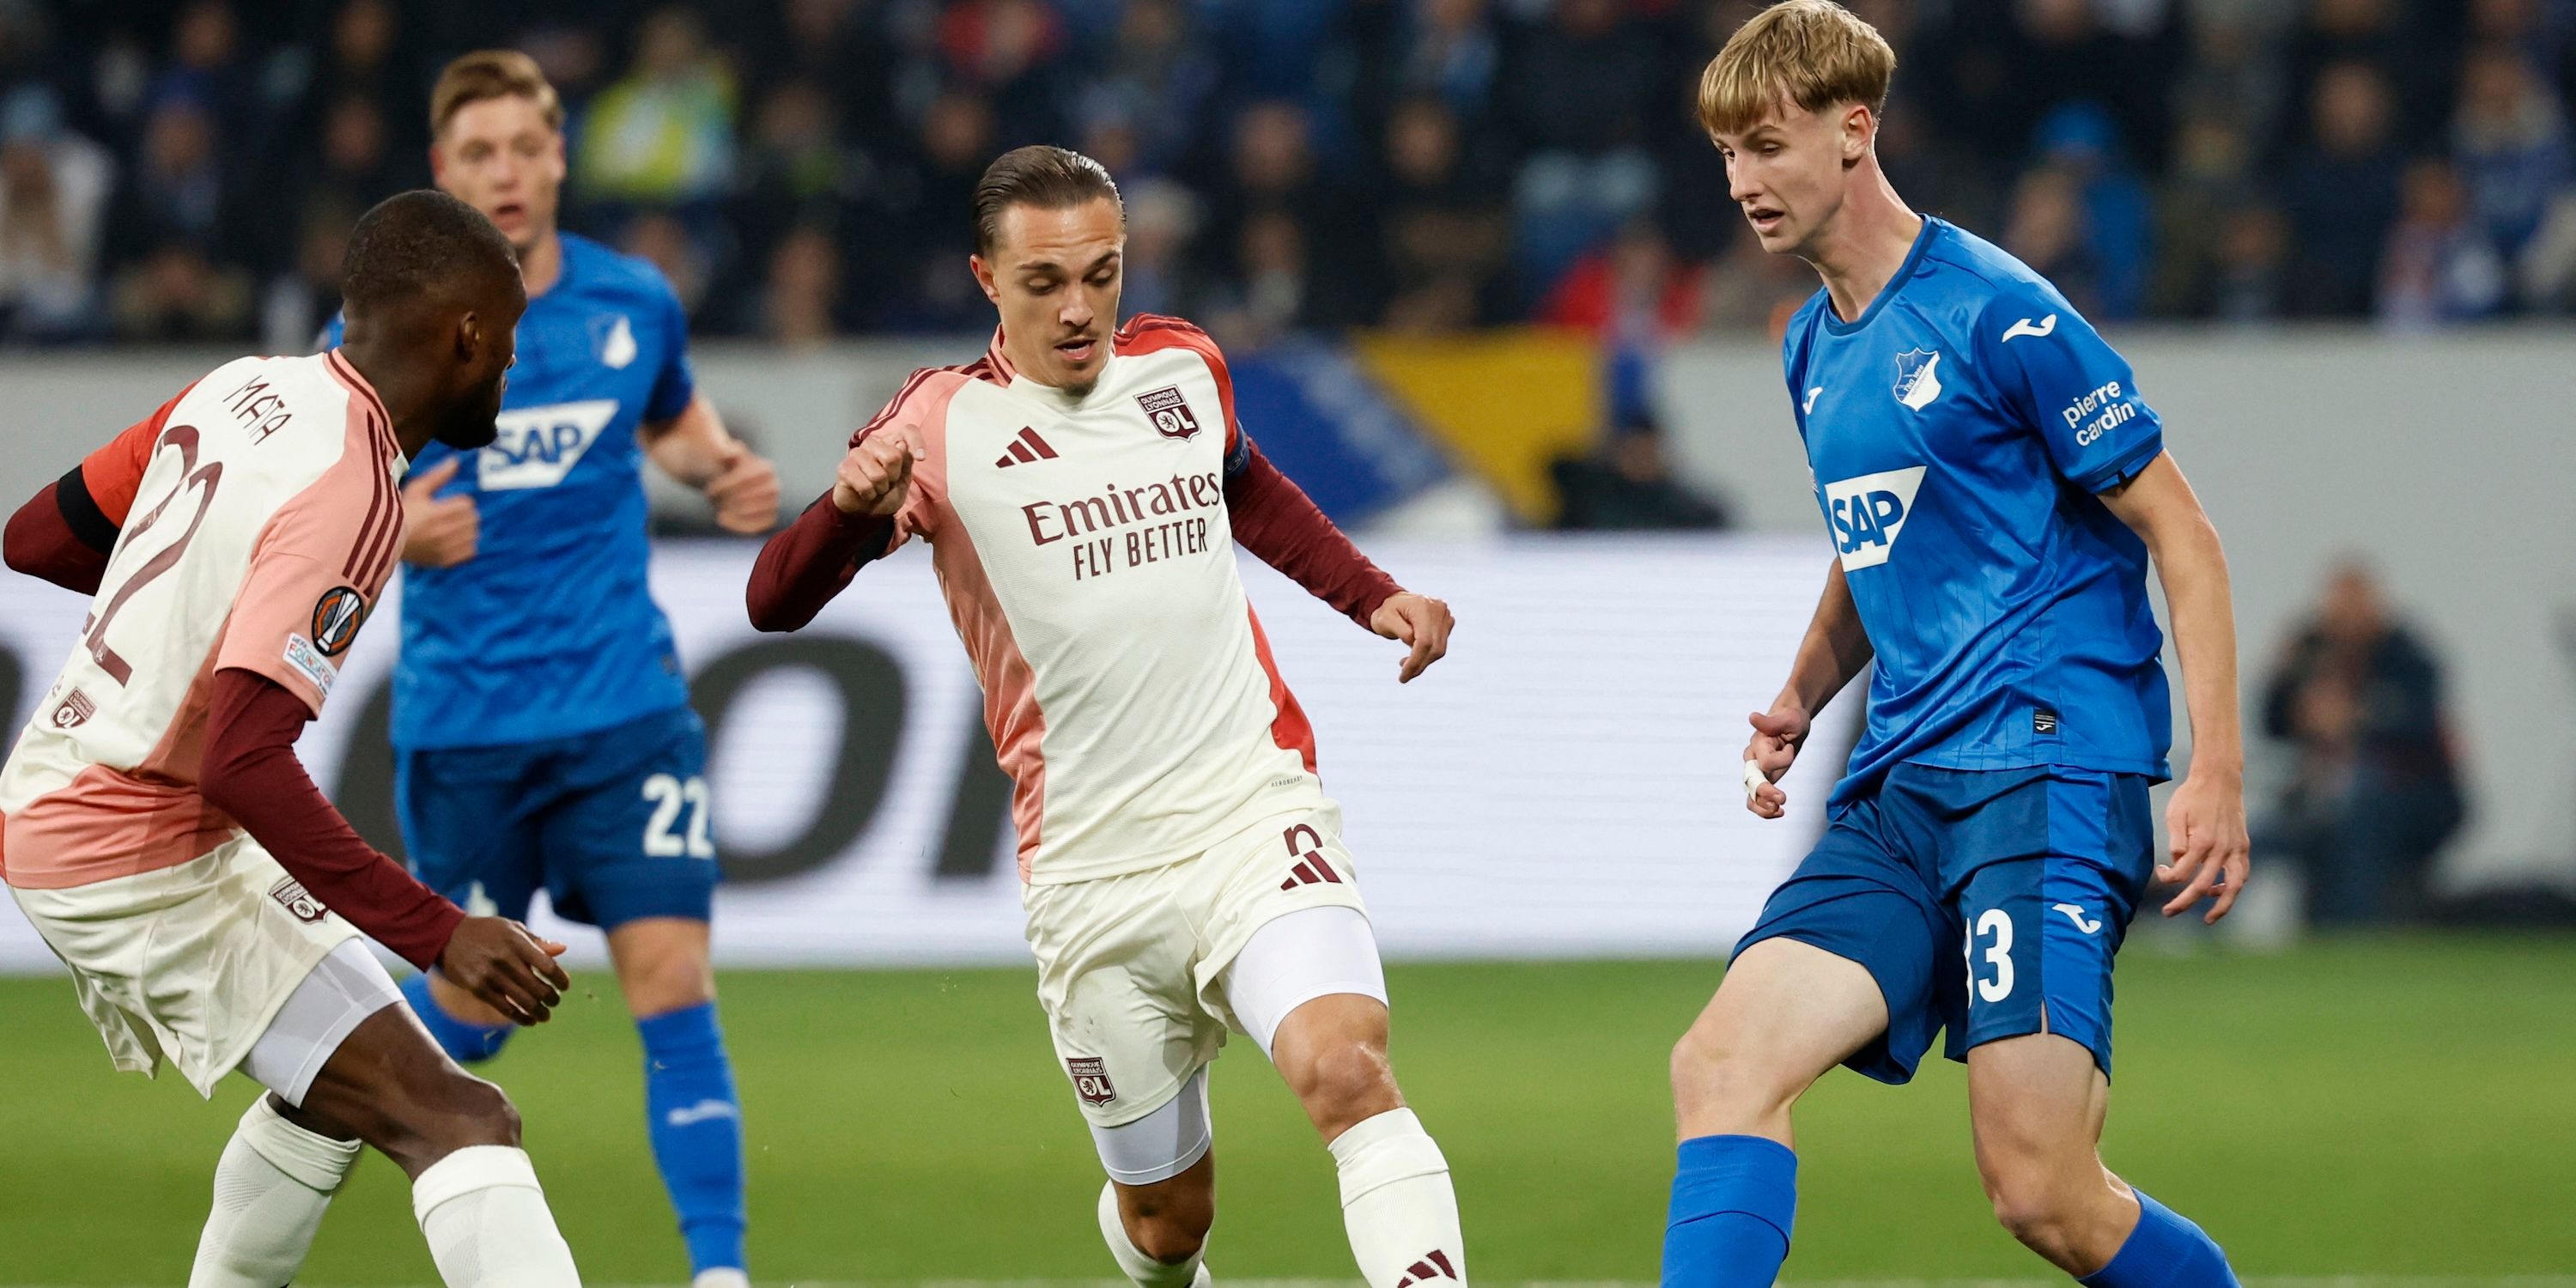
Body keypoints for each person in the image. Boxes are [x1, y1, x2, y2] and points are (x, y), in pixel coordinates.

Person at [746, 146, 1466, 1288]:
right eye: (1045, 284)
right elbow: (772, 603)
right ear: (987, 278)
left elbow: (1245, 486)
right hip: (1091, 874)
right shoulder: (938, 424)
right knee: (1169, 1219)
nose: (1080, 309)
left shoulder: (1183, 367)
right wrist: (840, 515)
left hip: (1249, 812)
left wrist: (1371, 593)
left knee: (1348, 1072)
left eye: (1103, 273)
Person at [1662, 5, 2251, 1285]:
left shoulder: (2000, 315)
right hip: (1902, 789)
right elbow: (1874, 543)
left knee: (2042, 1192)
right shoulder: (1814, 344)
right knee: (1720, 1063)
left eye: (1766, 146)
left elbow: (2183, 535)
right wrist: (1805, 692)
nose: (1741, 183)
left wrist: (2214, 772)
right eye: (1725, 155)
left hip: (2044, 772)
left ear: (1854, 130)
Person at [0, 189, 582, 1287]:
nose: (512, 364)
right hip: (132, 850)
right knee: (462, 1122)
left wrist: (187, 606)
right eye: (507, 340)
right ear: (464, 336)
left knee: (331, 1105)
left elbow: (34, 536)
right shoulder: (356, 488)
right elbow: (246, 762)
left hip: (90, 801)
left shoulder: (241, 387)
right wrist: (439, 932)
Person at [318, 52, 780, 1288]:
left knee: (674, 977)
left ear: (560, 156)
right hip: (466, 730)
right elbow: (312, 501)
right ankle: (280, 1164)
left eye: (525, 147)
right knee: (462, 1024)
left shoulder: (634, 302)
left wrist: (718, 464)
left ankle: (720, 1276)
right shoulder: (377, 334)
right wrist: (395, 526)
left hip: (625, 712)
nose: (506, 173)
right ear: (442, 173)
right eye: (480, 155)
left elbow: (669, 414)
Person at [2258, 560, 2464, 926]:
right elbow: (2272, 724)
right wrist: (2286, 685)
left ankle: (2355, 928)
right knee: (2263, 832)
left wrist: (2356, 719)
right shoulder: (2311, 652)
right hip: (2321, 794)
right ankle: (2193, 919)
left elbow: (2417, 724)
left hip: (2409, 795)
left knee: (2361, 819)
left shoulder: (2407, 656)